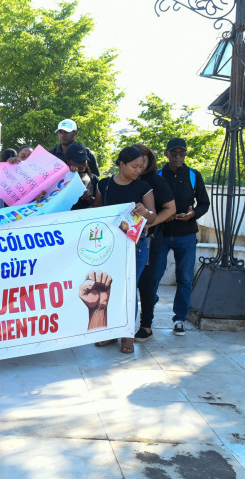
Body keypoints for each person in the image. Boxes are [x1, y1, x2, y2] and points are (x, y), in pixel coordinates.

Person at [92, 145, 157, 354]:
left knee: (129, 289)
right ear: (122, 164)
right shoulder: (105, 184)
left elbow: (153, 217)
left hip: (135, 248)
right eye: (134, 166)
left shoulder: (143, 187)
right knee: (108, 287)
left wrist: (144, 211)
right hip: (109, 247)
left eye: (141, 166)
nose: (138, 170)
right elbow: (96, 212)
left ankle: (127, 335)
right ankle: (110, 333)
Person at [151, 137, 210, 336]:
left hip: (186, 234)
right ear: (166, 154)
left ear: (185, 154)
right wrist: (161, 215)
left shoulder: (194, 175)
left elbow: (204, 203)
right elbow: (150, 201)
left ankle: (180, 319)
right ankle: (147, 316)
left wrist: (193, 214)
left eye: (181, 153)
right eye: (173, 153)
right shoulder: (157, 175)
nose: (178, 157)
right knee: (154, 276)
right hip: (161, 233)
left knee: (184, 278)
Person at [132, 144, 176, 342]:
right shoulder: (128, 180)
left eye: (142, 159)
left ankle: (146, 326)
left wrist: (151, 223)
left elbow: (170, 208)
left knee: (147, 284)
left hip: (152, 239)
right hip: (128, 241)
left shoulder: (156, 181)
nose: (139, 164)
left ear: (149, 161)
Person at [67, 142, 100, 211]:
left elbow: (100, 206)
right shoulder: (62, 179)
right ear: (69, 161)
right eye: (77, 161)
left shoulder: (94, 179)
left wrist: (89, 198)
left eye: (84, 160)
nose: (81, 164)